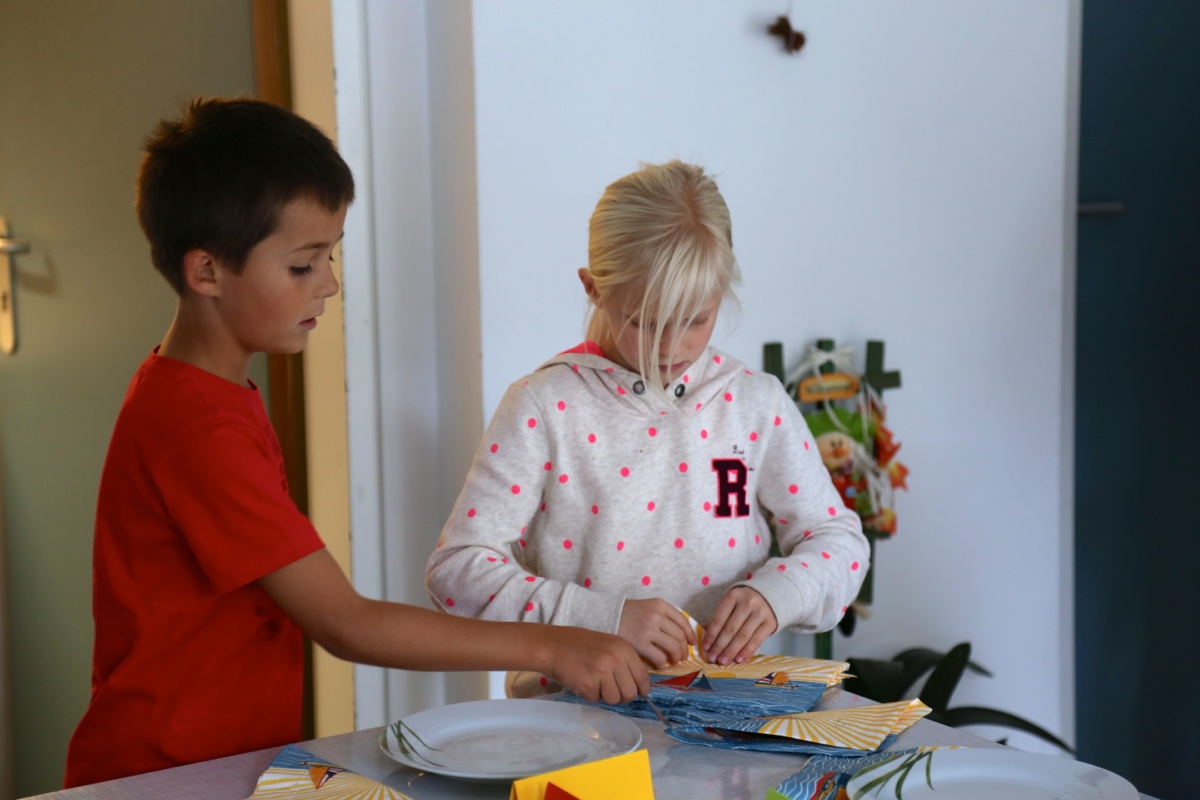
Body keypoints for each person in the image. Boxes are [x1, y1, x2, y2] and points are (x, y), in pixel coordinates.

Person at [63, 98, 647, 788]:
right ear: (207, 272)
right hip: (161, 776)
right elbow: (346, 623)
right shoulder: (197, 428)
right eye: (303, 265)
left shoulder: (204, 394)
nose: (330, 284)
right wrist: (554, 645)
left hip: (223, 762)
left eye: (330, 256)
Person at [425, 161, 870, 697]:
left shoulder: (756, 403)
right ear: (594, 288)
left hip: (724, 716)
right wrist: (601, 618)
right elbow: (456, 571)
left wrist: (781, 594)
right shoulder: (543, 405)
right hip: (572, 720)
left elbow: (839, 541)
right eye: (646, 322)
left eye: (697, 320)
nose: (673, 347)